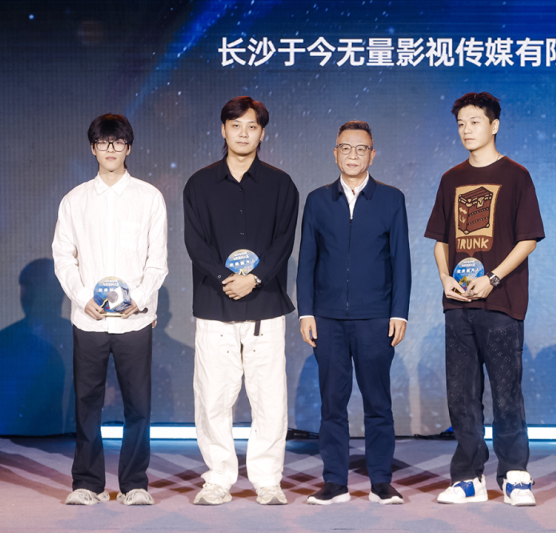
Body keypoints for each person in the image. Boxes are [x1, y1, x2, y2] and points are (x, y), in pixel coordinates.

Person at [424, 92, 544, 506]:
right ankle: (468, 478)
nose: (466, 130)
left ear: (494, 125)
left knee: (506, 393)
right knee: (461, 395)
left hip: (501, 302)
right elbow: (440, 239)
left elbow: (528, 239)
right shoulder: (451, 178)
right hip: (459, 304)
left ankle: (515, 476)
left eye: (474, 122)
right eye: (461, 123)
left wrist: (493, 278)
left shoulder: (516, 176)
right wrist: (445, 277)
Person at [183, 96, 299, 506]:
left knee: (269, 398)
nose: (243, 133)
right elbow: (195, 242)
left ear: (262, 132)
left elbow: (284, 241)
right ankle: (218, 478)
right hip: (215, 306)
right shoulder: (199, 184)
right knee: (213, 398)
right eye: (236, 126)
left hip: (265, 305)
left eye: (252, 126)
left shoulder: (281, 185)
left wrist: (255, 278)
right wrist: (225, 278)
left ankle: (267, 480)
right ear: (223, 130)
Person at [52, 114, 168, 506]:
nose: (111, 150)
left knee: (138, 405)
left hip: (134, 319)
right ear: (93, 148)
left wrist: (141, 297)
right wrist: (82, 296)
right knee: (87, 403)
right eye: (103, 143)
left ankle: (135, 484)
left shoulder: (149, 197)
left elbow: (157, 260)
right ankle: (88, 483)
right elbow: (63, 256)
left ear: (128, 147)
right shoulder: (75, 200)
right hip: (89, 318)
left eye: (118, 143)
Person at [297, 121, 412, 505]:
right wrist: (306, 312)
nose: (352, 155)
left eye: (361, 149)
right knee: (332, 404)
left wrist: (399, 313)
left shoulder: (391, 199)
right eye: (345, 148)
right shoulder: (317, 200)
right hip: (327, 319)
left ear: (372, 155)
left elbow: (401, 260)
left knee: (378, 403)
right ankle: (335, 482)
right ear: (335, 153)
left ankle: (381, 481)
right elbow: (307, 260)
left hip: (376, 318)